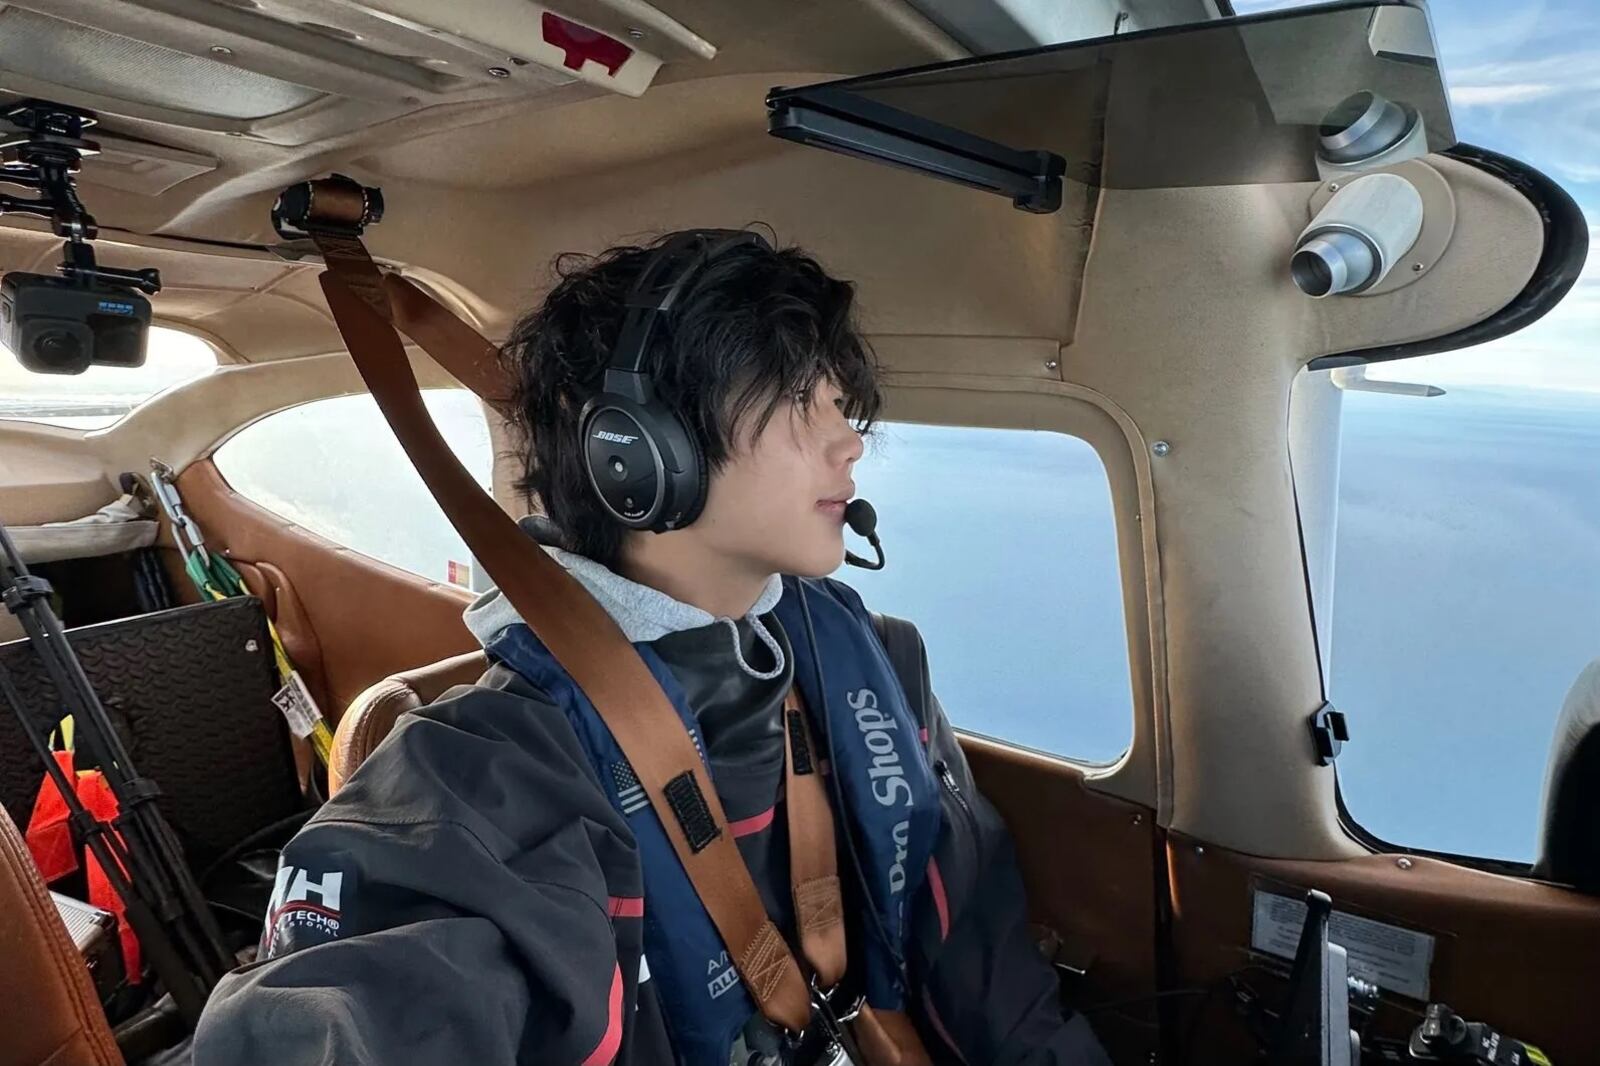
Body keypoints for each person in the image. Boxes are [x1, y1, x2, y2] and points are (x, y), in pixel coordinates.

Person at [194, 229, 1110, 1065]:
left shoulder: (875, 666)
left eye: (842, 403)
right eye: (801, 400)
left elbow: (993, 978)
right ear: (636, 452)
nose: (849, 444)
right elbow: (341, 1015)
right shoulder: (486, 776)